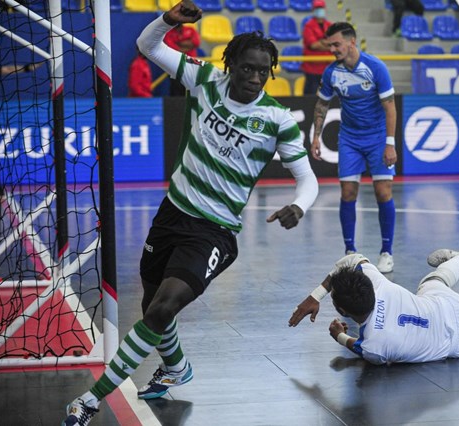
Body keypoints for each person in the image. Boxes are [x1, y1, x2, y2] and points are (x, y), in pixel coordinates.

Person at [62, 2, 319, 425]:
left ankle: (90, 401)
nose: (254, 78)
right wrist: (167, 20)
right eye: (247, 68)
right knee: (152, 305)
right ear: (230, 63)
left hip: (214, 232)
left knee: (161, 309)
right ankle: (177, 367)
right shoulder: (204, 80)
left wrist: (299, 205)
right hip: (172, 214)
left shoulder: (276, 119)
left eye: (263, 72)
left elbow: (307, 179)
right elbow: (147, 46)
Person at [289, 249, 459, 365]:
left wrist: (339, 335)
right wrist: (317, 294)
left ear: (343, 311)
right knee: (433, 281)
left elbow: (360, 348)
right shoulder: (378, 283)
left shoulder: (376, 345)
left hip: (456, 345)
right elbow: (352, 259)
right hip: (445, 306)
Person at [311, 22, 397, 273]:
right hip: (349, 138)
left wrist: (389, 144)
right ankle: (350, 251)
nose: (332, 49)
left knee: (383, 192)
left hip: (378, 137)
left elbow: (390, 107)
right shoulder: (331, 73)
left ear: (352, 42)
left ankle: (386, 252)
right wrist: (316, 137)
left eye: (336, 44)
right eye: (330, 45)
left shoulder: (375, 67)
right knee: (348, 193)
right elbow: (321, 105)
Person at [301, 0, 332, 95]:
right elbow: (313, 45)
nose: (319, 10)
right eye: (317, 8)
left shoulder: (329, 25)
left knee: (328, 94)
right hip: (312, 68)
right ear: (313, 10)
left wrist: (322, 42)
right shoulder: (308, 26)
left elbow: (335, 43)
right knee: (310, 95)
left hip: (327, 66)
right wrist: (328, 45)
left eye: (321, 8)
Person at [163, 21, 201, 95]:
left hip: (190, 65)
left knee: (192, 91)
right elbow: (172, 48)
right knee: (176, 91)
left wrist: (179, 43)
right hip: (175, 65)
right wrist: (189, 46)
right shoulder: (168, 33)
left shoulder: (191, 30)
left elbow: (196, 43)